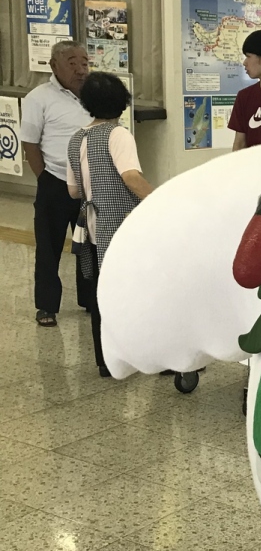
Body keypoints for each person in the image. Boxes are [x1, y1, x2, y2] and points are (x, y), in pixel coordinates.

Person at [66, 73, 153, 377]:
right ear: (121, 102)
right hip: (120, 226)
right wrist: (160, 198)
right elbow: (131, 177)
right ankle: (144, 357)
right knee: (132, 292)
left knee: (99, 294)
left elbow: (74, 191)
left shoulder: (77, 138)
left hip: (91, 226)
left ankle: (105, 361)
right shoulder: (119, 135)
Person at [20, 40, 95, 327]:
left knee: (89, 244)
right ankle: (47, 306)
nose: (80, 69)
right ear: (54, 66)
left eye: (84, 62)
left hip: (90, 182)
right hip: (54, 180)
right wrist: (45, 179)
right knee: (49, 246)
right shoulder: (39, 97)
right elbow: (30, 143)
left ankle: (89, 299)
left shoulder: (94, 95)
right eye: (72, 63)